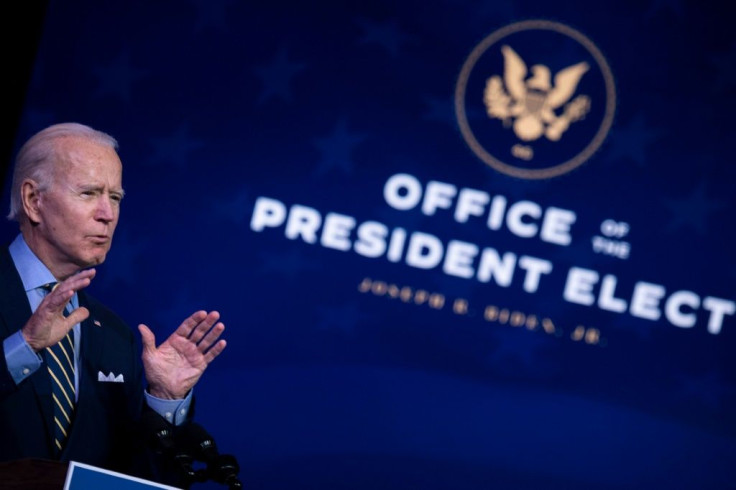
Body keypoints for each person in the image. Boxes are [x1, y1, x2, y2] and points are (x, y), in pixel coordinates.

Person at [0, 122, 227, 484]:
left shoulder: (116, 336)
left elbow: (135, 475)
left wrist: (164, 399)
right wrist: (24, 348)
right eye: (89, 193)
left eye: (115, 198)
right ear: (33, 200)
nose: (107, 214)